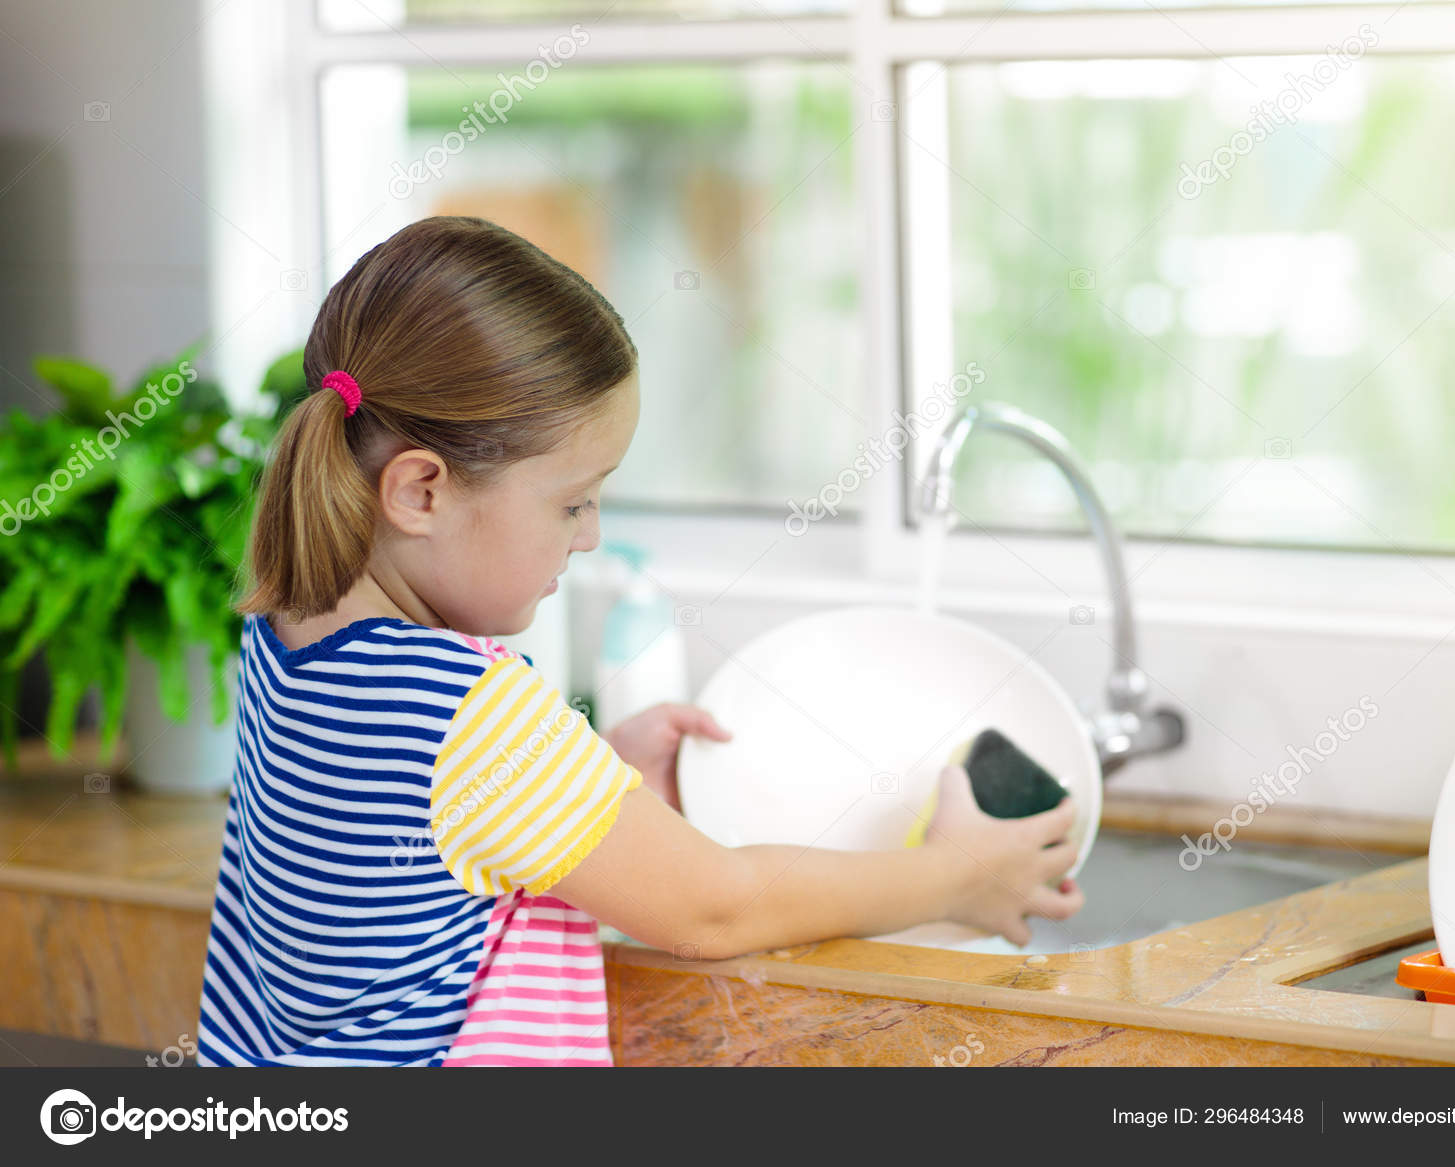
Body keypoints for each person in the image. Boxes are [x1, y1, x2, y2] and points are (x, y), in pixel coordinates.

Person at [195, 216, 1084, 1066]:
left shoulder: (282, 636)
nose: (586, 536)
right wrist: (958, 874)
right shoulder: (468, 708)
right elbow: (715, 908)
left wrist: (589, 775)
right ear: (420, 491)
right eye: (573, 501)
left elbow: (413, 848)